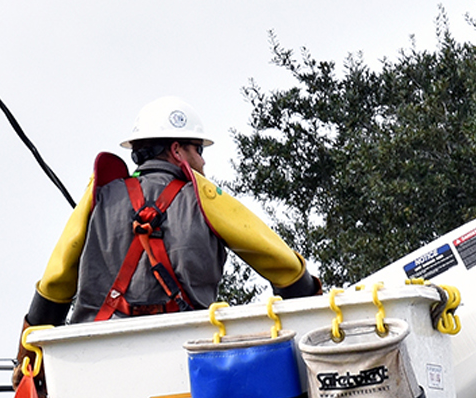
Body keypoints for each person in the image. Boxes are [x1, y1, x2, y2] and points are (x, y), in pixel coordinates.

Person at [21, 97, 322, 346]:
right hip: (187, 350)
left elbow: (56, 279)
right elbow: (278, 260)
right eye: (199, 150)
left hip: (96, 348)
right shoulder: (205, 198)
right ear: (177, 150)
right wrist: (312, 312)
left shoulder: (99, 196)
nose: (203, 162)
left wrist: (29, 349)